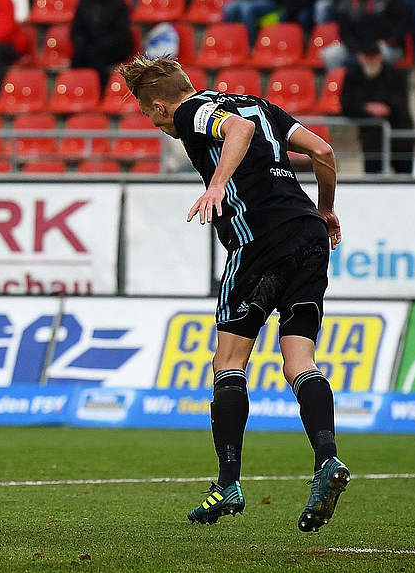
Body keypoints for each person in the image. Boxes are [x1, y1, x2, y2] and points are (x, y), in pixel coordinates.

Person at [117, 56, 349, 533]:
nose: (156, 124)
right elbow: (323, 153)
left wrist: (217, 186)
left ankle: (228, 484)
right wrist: (325, 211)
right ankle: (327, 460)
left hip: (259, 241)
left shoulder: (190, 113)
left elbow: (237, 131)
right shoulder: (257, 102)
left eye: (148, 114)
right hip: (307, 235)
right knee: (299, 362)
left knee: (229, 364)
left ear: (159, 107)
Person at [341, 44, 415, 175]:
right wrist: (366, 108)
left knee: (404, 178)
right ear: (360, 58)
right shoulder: (353, 76)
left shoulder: (395, 75)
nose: (371, 61)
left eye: (374, 57)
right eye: (367, 58)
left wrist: (382, 107)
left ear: (380, 57)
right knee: (373, 177)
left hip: (400, 136)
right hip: (372, 140)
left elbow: (401, 103)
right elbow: (346, 104)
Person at [71, 0, 133, 84]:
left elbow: (123, 33)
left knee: (96, 57)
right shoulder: (83, 4)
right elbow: (76, 30)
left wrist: (103, 44)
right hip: (89, 47)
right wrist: (81, 43)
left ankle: (100, 92)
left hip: (113, 47)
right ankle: (77, 90)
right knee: (78, 57)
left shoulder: (118, 3)